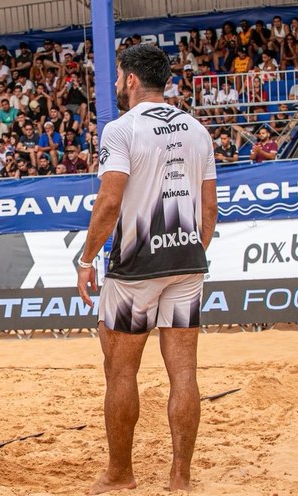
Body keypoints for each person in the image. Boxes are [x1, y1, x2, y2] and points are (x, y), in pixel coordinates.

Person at [76, 44, 218, 494]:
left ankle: (121, 474)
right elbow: (209, 209)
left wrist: (86, 259)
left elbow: (109, 202)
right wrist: (189, 251)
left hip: (137, 265)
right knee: (184, 373)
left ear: (131, 79)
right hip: (187, 262)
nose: (118, 82)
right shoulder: (197, 129)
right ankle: (180, 478)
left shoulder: (121, 129)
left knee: (120, 372)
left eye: (120, 76)